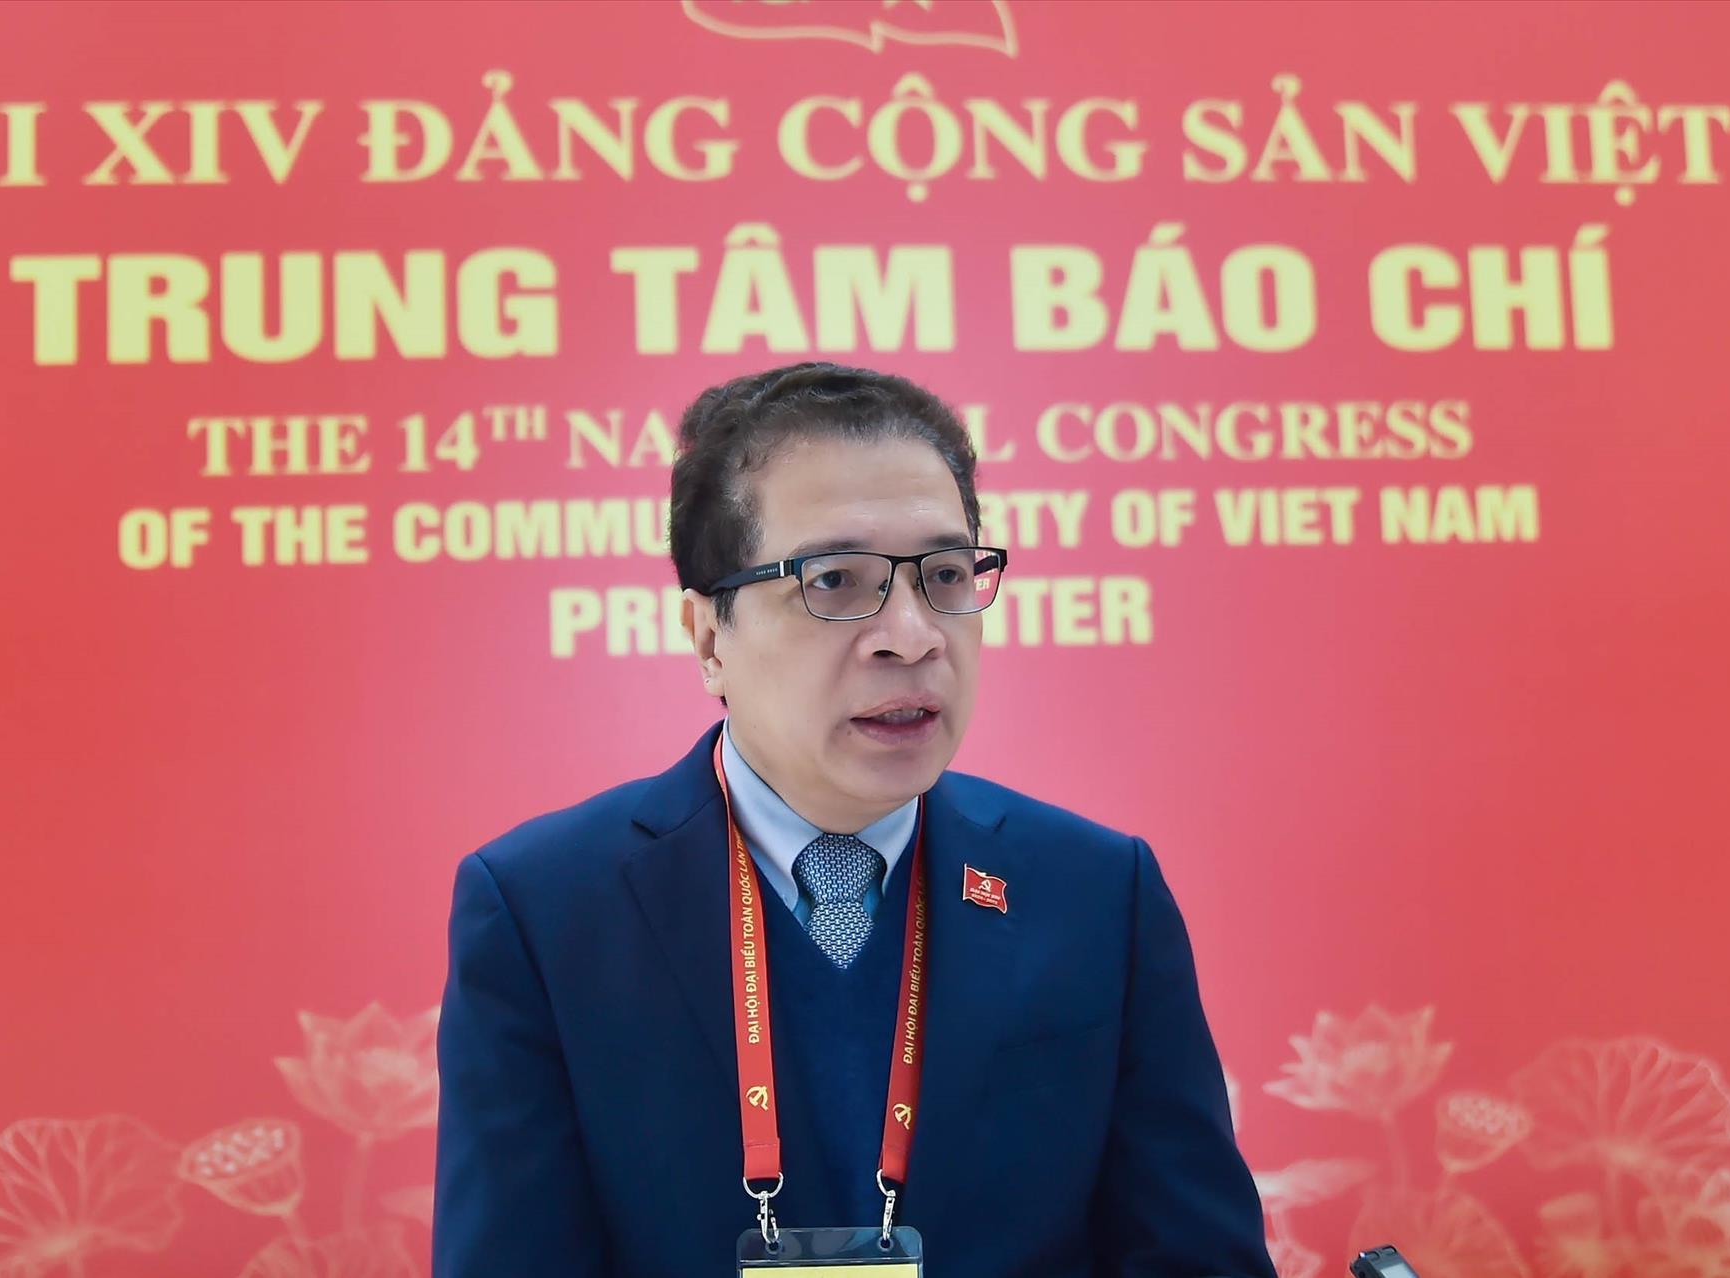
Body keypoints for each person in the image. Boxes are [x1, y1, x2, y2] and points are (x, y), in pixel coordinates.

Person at [433, 362, 1275, 1277]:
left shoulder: (1098, 894)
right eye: (835, 580)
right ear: (710, 636)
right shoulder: (546, 912)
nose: (912, 636)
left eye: (945, 575)